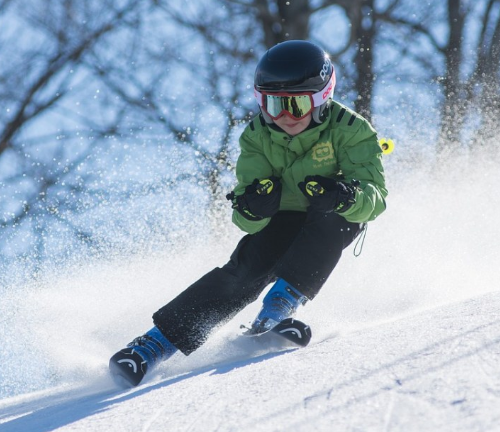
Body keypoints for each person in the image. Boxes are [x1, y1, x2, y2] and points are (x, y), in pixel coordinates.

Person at [109, 40, 388, 387]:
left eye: (296, 105)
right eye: (272, 105)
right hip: (282, 218)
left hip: (330, 215)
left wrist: (345, 196)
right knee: (246, 269)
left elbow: (375, 198)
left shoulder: (351, 129)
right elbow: (244, 218)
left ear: (321, 99)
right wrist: (253, 207)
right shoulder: (257, 135)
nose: (283, 116)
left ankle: (277, 309)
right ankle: (152, 346)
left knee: (338, 220)